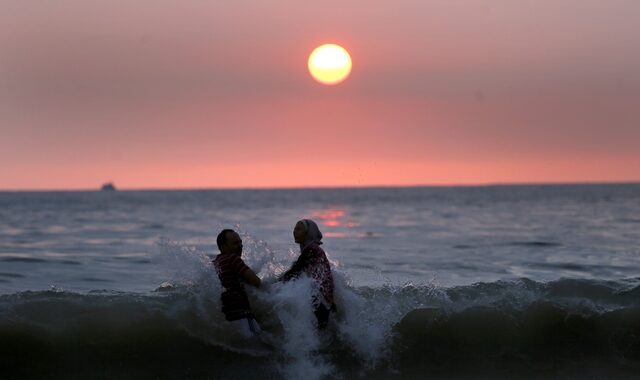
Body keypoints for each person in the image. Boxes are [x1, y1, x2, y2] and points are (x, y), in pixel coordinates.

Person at [281, 219, 337, 329]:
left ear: (308, 233)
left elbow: (294, 272)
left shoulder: (312, 250)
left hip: (320, 300)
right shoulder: (311, 250)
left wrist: (272, 286)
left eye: (299, 229)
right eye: (294, 229)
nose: (294, 232)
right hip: (323, 300)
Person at [213, 229, 262, 337]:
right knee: (258, 348)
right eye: (235, 243)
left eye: (240, 242)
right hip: (242, 316)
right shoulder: (233, 258)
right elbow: (256, 282)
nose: (240, 246)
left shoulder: (216, 262)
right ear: (223, 247)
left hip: (228, 317)